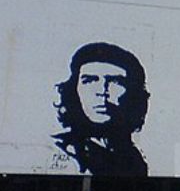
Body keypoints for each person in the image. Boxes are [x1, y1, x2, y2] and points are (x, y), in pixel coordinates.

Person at [53, 42, 150, 176]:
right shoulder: (61, 150)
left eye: (115, 81)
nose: (102, 91)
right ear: (73, 89)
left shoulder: (133, 157)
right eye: (89, 81)